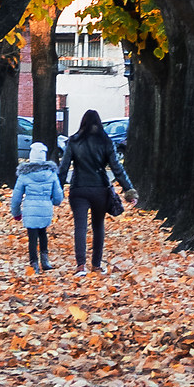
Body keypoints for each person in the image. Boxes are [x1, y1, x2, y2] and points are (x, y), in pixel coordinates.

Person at [59, 109, 136, 273]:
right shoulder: (106, 142)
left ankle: (81, 265)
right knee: (98, 226)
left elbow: (64, 168)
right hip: (100, 189)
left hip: (78, 188)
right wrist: (128, 189)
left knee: (80, 227)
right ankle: (96, 265)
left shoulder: (73, 141)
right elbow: (117, 168)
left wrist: (57, 189)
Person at [10, 139, 63, 272]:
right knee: (43, 233)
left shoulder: (24, 175)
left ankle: (34, 263)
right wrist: (55, 202)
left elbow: (16, 197)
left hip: (30, 209)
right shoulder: (51, 174)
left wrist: (16, 213)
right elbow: (58, 195)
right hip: (45, 208)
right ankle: (45, 261)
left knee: (32, 237)